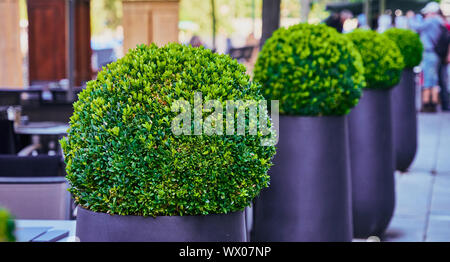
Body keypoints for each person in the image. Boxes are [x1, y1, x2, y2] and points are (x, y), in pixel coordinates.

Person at [410, 2, 447, 112]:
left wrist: (411, 18)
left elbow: (416, 27)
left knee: (427, 79)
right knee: (433, 78)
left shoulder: (432, 21)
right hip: (435, 54)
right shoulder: (440, 21)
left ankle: (428, 104)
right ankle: (433, 103)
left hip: (429, 53)